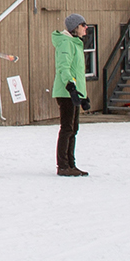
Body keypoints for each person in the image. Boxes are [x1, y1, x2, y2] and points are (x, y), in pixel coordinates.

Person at [52, 12, 90, 176]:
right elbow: (64, 67)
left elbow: (78, 73)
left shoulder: (75, 43)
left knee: (73, 128)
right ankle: (63, 166)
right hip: (66, 92)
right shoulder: (66, 43)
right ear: (75, 28)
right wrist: (71, 86)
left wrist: (83, 95)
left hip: (74, 92)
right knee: (67, 128)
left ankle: (71, 164)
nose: (86, 28)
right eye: (83, 25)